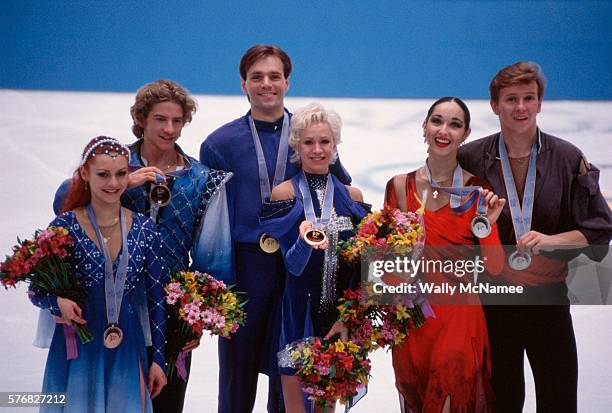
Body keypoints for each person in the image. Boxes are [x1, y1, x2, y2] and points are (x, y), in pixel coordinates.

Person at [53, 80, 232, 413]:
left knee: (166, 403)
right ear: (142, 119)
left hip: (171, 309)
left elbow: (213, 258)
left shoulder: (202, 179)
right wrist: (125, 181)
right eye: (160, 120)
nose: (169, 129)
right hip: (109, 304)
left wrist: (198, 317)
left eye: (177, 121)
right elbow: (63, 204)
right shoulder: (114, 165)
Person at [200, 45, 352, 413]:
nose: (266, 84)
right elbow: (210, 222)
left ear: (287, 82)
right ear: (243, 84)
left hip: (296, 271)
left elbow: (339, 191)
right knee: (238, 372)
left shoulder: (307, 135)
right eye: (257, 77)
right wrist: (213, 283)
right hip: (246, 271)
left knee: (291, 371)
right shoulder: (219, 144)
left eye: (274, 76)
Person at [458, 62, 612, 413]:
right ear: (495, 105)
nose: (521, 107)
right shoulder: (470, 159)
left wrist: (552, 240)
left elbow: (599, 230)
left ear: (540, 103)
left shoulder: (568, 157)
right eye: (511, 99)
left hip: (549, 301)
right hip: (493, 304)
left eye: (529, 98)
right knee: (501, 402)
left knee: (558, 401)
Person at [384, 97, 506, 413]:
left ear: (465, 134)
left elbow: (494, 267)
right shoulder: (398, 187)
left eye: (455, 124)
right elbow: (384, 269)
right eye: (437, 121)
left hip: (459, 318)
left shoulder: (478, 191)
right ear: (424, 127)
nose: (444, 130)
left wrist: (489, 227)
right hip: (413, 322)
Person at [31, 136, 167, 412]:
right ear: (85, 174)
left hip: (128, 348)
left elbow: (157, 300)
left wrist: (159, 361)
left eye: (120, 175)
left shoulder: (144, 229)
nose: (113, 184)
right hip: (77, 349)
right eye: (103, 175)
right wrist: (57, 303)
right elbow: (37, 289)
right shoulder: (64, 227)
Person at [260, 103, 369, 413]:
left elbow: (363, 268)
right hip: (297, 314)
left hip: (337, 316)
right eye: (309, 142)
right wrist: (306, 241)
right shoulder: (284, 194)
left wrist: (348, 316)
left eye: (324, 142)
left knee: (325, 409)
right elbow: (292, 266)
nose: (317, 150)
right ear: (297, 145)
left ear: (335, 145)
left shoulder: (353, 198)